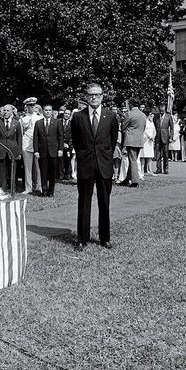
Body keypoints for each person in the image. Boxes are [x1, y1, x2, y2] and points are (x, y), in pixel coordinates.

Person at [72, 83, 118, 251]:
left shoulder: (111, 116)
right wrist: (85, 155)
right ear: (86, 97)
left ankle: (104, 238)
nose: (94, 97)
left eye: (97, 95)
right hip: (86, 165)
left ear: (102, 97)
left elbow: (112, 142)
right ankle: (82, 239)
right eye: (91, 95)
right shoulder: (78, 117)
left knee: (104, 203)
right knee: (84, 203)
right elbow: (76, 142)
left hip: (104, 165)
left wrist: (104, 156)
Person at [34, 104, 63, 197]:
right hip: (42, 151)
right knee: (43, 172)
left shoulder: (57, 122)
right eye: (46, 110)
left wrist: (60, 149)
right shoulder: (38, 123)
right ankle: (44, 190)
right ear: (43, 111)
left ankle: (51, 191)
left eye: (49, 110)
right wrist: (36, 151)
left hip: (53, 151)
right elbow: (35, 138)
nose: (47, 112)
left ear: (52, 111)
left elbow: (60, 137)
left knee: (52, 172)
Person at [0, 104, 21, 193]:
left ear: (12, 112)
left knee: (12, 171)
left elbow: (19, 138)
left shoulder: (17, 123)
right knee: (2, 172)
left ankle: (12, 189)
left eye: (8, 110)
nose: (6, 112)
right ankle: (3, 189)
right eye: (4, 110)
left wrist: (19, 152)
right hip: (1, 150)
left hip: (13, 151)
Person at [19, 98, 43, 194]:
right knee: (27, 168)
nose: (32, 107)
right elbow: (21, 134)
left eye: (33, 105)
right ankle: (28, 187)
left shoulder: (39, 118)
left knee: (39, 168)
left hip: (37, 146)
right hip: (26, 145)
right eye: (30, 105)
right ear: (27, 107)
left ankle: (39, 186)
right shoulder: (22, 119)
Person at [119, 103, 146, 186]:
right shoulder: (143, 115)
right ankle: (127, 179)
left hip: (131, 139)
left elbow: (123, 126)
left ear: (130, 105)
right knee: (133, 159)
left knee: (132, 160)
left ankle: (134, 181)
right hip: (139, 139)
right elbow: (143, 127)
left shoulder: (129, 114)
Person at [154, 104, 174, 174]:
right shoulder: (156, 116)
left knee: (166, 154)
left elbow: (172, 128)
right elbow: (154, 127)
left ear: (165, 107)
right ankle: (158, 168)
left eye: (163, 106)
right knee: (158, 154)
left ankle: (166, 169)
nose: (161, 108)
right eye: (160, 106)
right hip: (158, 137)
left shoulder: (168, 116)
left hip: (165, 137)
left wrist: (171, 137)